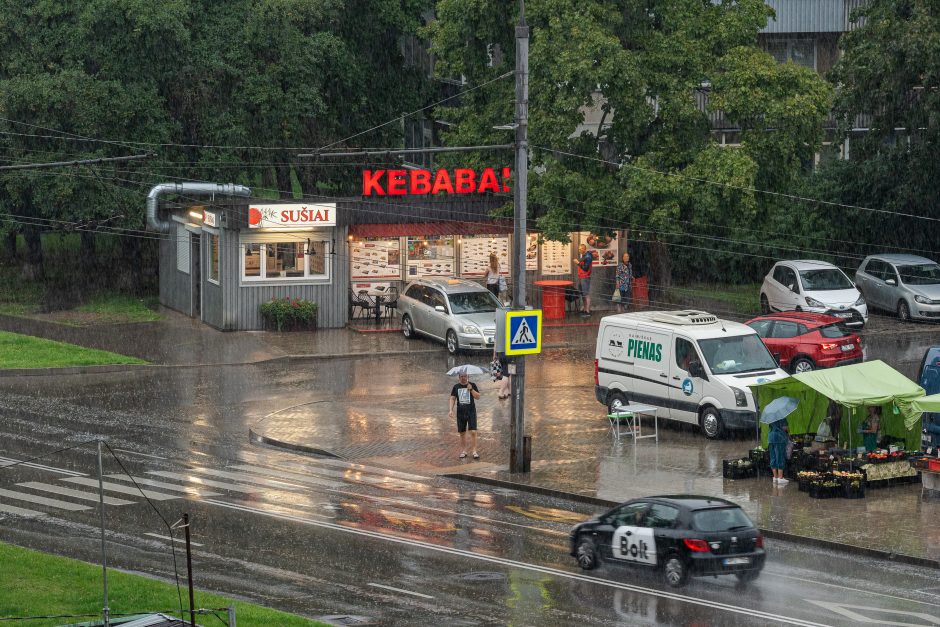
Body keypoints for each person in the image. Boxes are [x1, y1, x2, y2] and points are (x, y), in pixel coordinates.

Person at [449, 372, 481, 459]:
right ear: (459, 377)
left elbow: (478, 397)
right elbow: (452, 398)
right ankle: (464, 451)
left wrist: (471, 389)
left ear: (468, 377)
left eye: (465, 376)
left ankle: (474, 451)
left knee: (473, 432)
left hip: (471, 411)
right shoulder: (456, 387)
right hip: (460, 412)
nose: (463, 378)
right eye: (461, 376)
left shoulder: (472, 385)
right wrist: (451, 410)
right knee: (462, 433)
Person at [573, 243, 594, 316]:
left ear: (584, 249)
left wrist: (578, 263)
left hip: (585, 277)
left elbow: (585, 268)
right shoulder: (584, 255)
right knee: (583, 294)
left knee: (586, 294)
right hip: (581, 277)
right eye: (578, 249)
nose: (579, 250)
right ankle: (585, 309)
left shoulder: (588, 256)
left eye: (580, 249)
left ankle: (587, 311)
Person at [768, 418, 790, 485]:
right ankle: (780, 478)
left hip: (771, 438)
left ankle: (775, 477)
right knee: (780, 457)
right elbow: (785, 427)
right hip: (779, 438)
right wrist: (788, 430)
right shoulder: (782, 417)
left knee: (773, 457)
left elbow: (771, 427)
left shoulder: (770, 418)